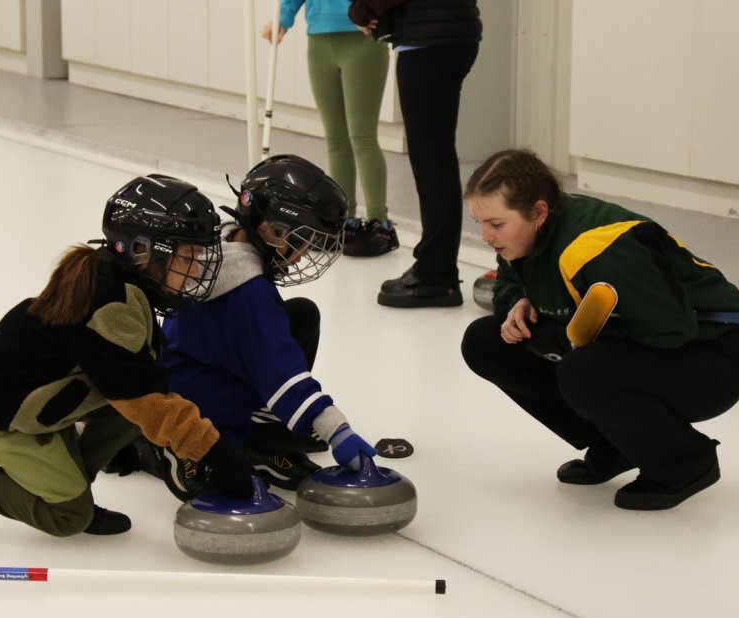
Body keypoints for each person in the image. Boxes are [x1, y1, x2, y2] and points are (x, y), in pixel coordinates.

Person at [0, 175, 257, 543]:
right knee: (68, 516)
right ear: (143, 251)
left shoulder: (118, 281)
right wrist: (216, 456)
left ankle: (71, 489)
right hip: (3, 413)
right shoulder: (112, 303)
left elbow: (140, 382)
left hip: (46, 401)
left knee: (134, 410)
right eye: (187, 256)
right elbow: (146, 401)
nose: (196, 269)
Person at [460, 149, 739, 510]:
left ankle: (685, 463)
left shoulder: (599, 250)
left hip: (707, 359)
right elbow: (510, 280)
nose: (486, 236)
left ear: (539, 212)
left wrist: (562, 339)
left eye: (496, 224)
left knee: (584, 372)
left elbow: (669, 330)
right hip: (640, 347)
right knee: (485, 343)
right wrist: (518, 301)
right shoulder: (527, 234)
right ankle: (617, 444)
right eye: (480, 223)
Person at [108, 155, 379, 497]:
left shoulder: (219, 244)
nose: (303, 255)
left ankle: (259, 429)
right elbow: (278, 367)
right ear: (274, 230)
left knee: (301, 315)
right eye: (303, 242)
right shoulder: (250, 293)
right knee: (233, 449)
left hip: (190, 371)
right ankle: (175, 449)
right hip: (200, 404)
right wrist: (336, 429)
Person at [348, 0, 481, 308]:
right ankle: (435, 267)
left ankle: (437, 274)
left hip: (430, 42)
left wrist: (363, 9)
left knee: (432, 161)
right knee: (434, 159)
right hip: (441, 36)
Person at [262, 0, 397, 257]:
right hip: (319, 40)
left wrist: (376, 10)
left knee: (362, 136)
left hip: (362, 38)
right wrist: (283, 18)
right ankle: (344, 220)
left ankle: (379, 222)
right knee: (336, 138)